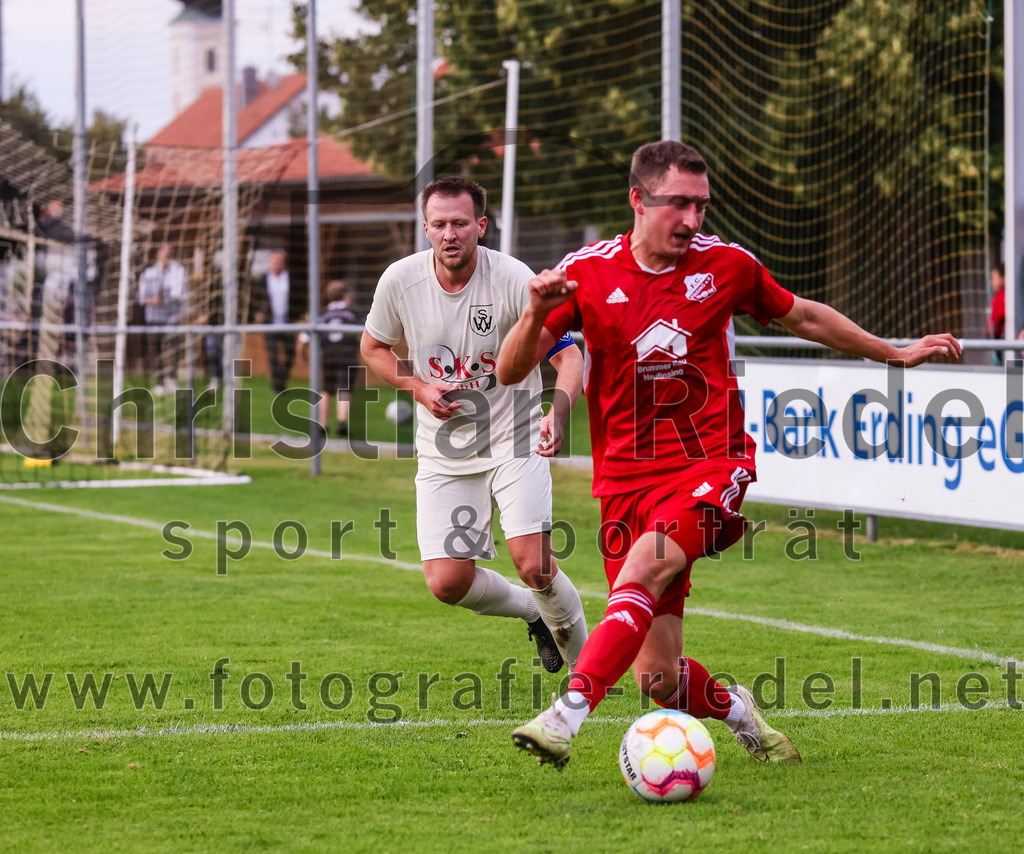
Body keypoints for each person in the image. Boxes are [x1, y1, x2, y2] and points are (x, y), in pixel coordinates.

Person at [499, 140, 961, 769]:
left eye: (701, 205)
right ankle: (741, 712)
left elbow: (803, 317)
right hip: (622, 480)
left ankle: (565, 716)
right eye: (679, 205)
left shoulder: (727, 266)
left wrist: (895, 352)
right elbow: (509, 368)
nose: (692, 220)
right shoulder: (588, 272)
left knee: (641, 573)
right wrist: (532, 313)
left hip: (709, 463)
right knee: (657, 682)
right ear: (638, 200)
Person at [360, 175, 590, 674]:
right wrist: (418, 388)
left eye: (460, 223)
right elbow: (372, 349)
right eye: (439, 224)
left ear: (481, 226)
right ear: (425, 228)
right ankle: (534, 613)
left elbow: (569, 356)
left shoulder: (510, 278)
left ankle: (586, 679)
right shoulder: (399, 281)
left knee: (534, 565)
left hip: (515, 438)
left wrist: (559, 409)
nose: (450, 234)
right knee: (447, 583)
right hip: (443, 450)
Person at [299, 279, 360, 437]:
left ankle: (322, 425)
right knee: (345, 389)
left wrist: (302, 353)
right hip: (347, 355)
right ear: (346, 295)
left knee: (326, 389)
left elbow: (305, 337)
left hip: (328, 356)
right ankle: (341, 422)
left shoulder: (321, 313)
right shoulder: (353, 313)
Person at [138, 243, 189, 394]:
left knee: (174, 348)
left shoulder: (179, 271)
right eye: (165, 253)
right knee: (157, 349)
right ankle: (159, 382)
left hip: (173, 317)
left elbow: (185, 294)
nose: (168, 257)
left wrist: (185, 314)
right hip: (154, 317)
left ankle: (172, 379)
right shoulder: (148, 273)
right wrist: (154, 300)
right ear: (158, 254)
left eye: (170, 254)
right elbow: (141, 297)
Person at [253, 249, 301, 394]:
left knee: (290, 354)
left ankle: (282, 379)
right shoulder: (262, 280)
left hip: (288, 323)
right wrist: (258, 314)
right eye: (274, 261)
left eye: (279, 261)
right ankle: (277, 385)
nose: (276, 264)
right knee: (273, 355)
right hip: (270, 324)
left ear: (284, 262)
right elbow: (256, 299)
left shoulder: (292, 279)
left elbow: (299, 299)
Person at [987, 263, 1006, 365]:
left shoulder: (1003, 296)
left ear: (1003, 279)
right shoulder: (998, 296)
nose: (992, 282)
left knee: (1012, 377)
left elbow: (996, 319)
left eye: (994, 277)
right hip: (998, 343)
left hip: (1004, 343)